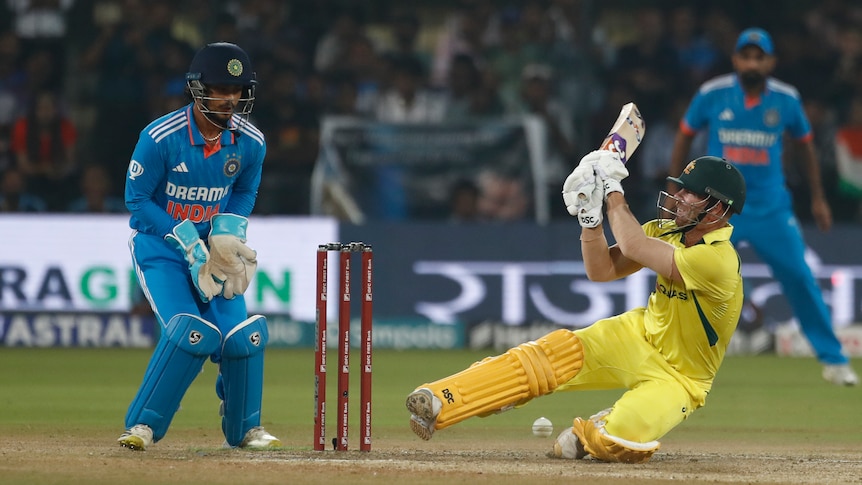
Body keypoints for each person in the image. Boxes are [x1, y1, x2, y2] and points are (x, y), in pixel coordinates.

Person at [406, 151, 747, 463]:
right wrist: (590, 217)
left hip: (681, 378)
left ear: (716, 207)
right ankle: (439, 399)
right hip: (637, 335)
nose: (678, 197)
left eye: (689, 192)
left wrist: (612, 189)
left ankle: (594, 432)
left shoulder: (718, 260)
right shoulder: (668, 231)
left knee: (619, 441)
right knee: (550, 356)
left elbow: (633, 244)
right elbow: (601, 270)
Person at [668, 28, 859, 386]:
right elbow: (684, 134)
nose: (752, 62)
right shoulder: (713, 94)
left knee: (800, 277)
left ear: (771, 62)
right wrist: (675, 184)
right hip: (717, 208)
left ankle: (834, 360)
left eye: (760, 57)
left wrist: (817, 197)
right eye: (746, 56)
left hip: (771, 207)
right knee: (686, 271)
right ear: (735, 60)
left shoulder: (786, 99)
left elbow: (805, 146)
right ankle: (672, 353)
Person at [117, 42, 281, 451]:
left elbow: (244, 192)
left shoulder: (251, 143)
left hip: (216, 252)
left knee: (240, 338)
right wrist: (186, 240)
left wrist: (227, 231)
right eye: (221, 88)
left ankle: (244, 428)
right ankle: (143, 426)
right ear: (197, 88)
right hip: (161, 250)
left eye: (238, 89)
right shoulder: (160, 138)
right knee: (189, 332)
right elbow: (136, 202)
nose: (230, 98)